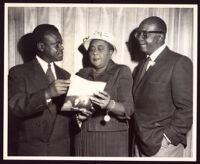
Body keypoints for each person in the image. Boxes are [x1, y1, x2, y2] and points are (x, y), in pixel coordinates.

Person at [132, 16, 193, 157]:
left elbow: (188, 108)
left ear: (160, 37)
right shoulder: (141, 66)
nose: (140, 38)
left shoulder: (179, 62)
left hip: (162, 147)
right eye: (138, 34)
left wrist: (168, 138)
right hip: (140, 142)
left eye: (145, 34)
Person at [8, 24, 73, 156]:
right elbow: (15, 107)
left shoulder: (66, 75)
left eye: (61, 43)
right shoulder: (19, 72)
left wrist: (78, 116)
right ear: (41, 46)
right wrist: (47, 93)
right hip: (32, 150)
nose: (62, 48)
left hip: (62, 150)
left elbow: (65, 114)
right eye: (57, 44)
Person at [74, 31, 134, 156]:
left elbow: (128, 109)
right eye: (92, 49)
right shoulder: (82, 73)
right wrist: (77, 117)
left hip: (111, 140)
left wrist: (110, 105)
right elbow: (72, 107)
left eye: (101, 49)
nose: (95, 52)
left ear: (110, 53)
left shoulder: (121, 71)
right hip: (82, 137)